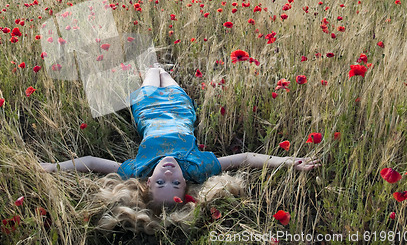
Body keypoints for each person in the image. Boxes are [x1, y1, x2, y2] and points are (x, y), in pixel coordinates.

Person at [40, 66, 320, 211]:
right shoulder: (198, 167)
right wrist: (287, 162)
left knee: (152, 72)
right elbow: (245, 158)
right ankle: (163, 70)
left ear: (148, 182)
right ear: (187, 184)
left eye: (161, 182)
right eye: (175, 182)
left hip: (148, 108)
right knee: (166, 75)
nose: (169, 173)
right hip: (180, 109)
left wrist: (52, 168)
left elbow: (89, 162)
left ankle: (155, 68)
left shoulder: (136, 170)